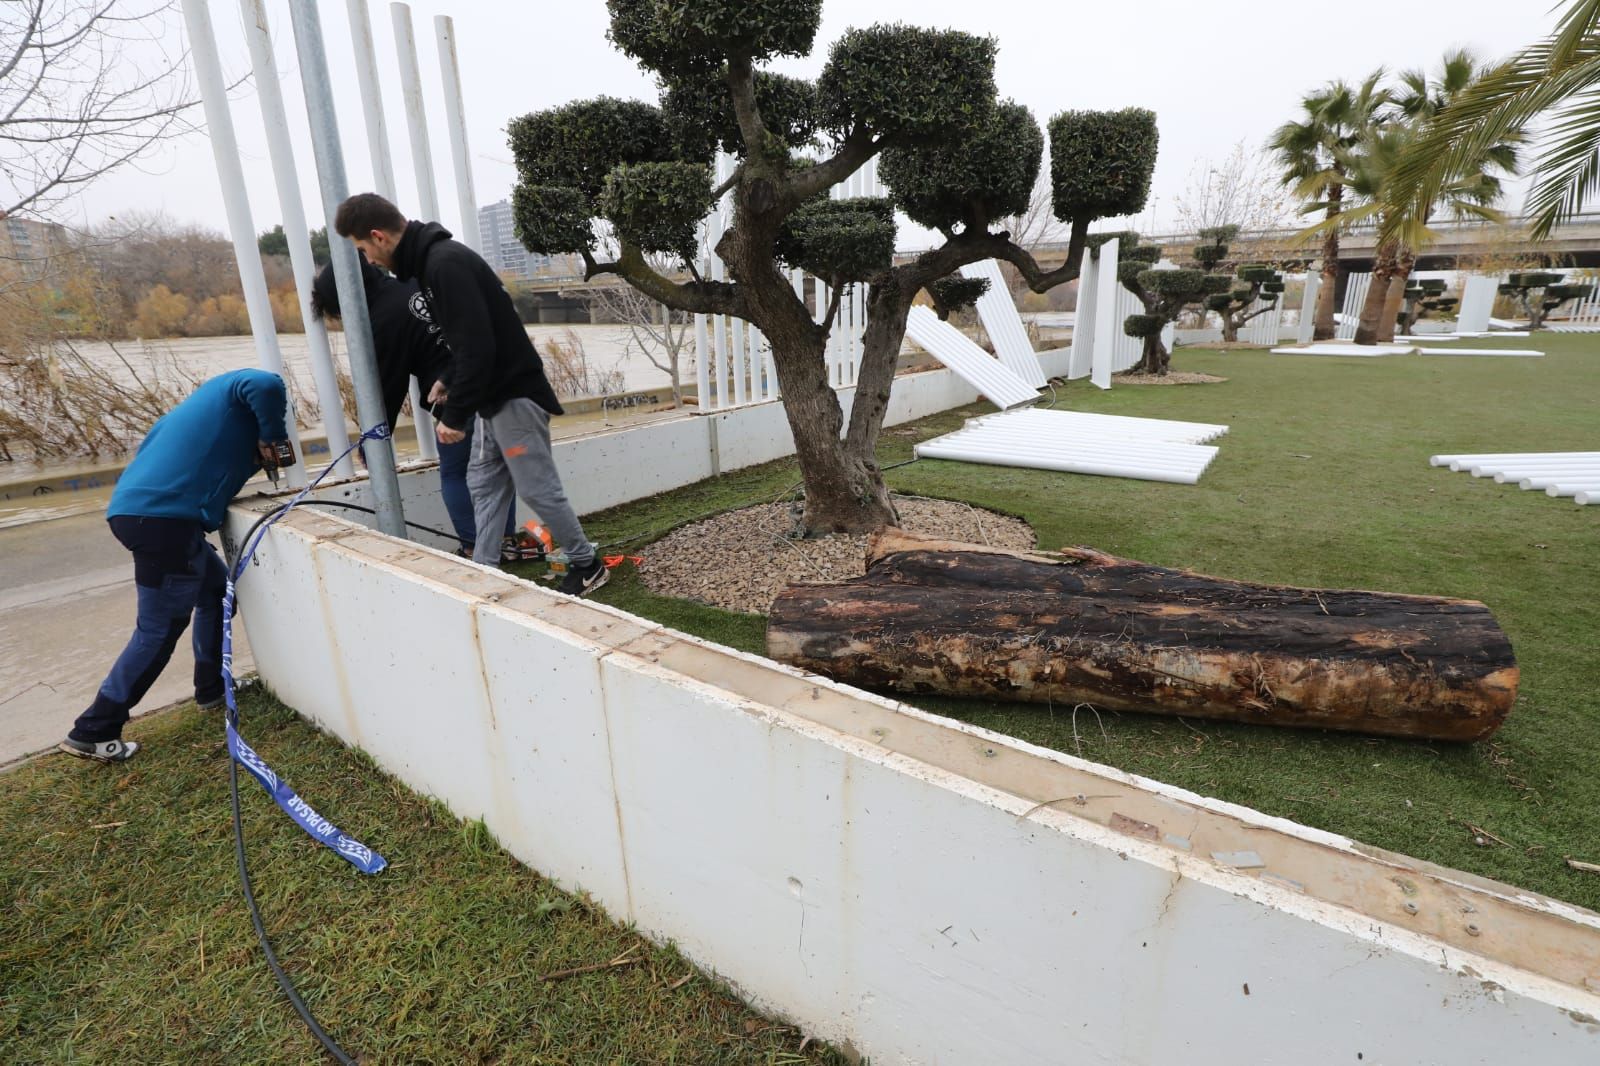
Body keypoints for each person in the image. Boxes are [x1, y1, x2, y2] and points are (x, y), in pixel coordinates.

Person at [332, 192, 608, 597]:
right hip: (493, 400)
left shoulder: (444, 265)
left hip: (514, 397)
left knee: (535, 488)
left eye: (363, 250)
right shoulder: (432, 265)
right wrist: (448, 378)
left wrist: (455, 415)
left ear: (378, 237)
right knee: (482, 482)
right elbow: (468, 342)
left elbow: (481, 347)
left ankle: (587, 565)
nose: (369, 261)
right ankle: (487, 571)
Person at [60, 370, 290, 764]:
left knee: (217, 593)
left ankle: (211, 688)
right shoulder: (244, 388)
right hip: (162, 522)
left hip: (143, 515)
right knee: (158, 629)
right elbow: (264, 385)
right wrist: (272, 435)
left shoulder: (195, 413)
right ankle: (94, 729)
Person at [308, 258, 523, 561]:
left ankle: (474, 545)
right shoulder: (414, 282)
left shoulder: (381, 318)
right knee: (498, 469)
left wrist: (373, 443)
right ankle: (506, 542)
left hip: (458, 397)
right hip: (499, 380)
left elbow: (387, 387)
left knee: (455, 473)